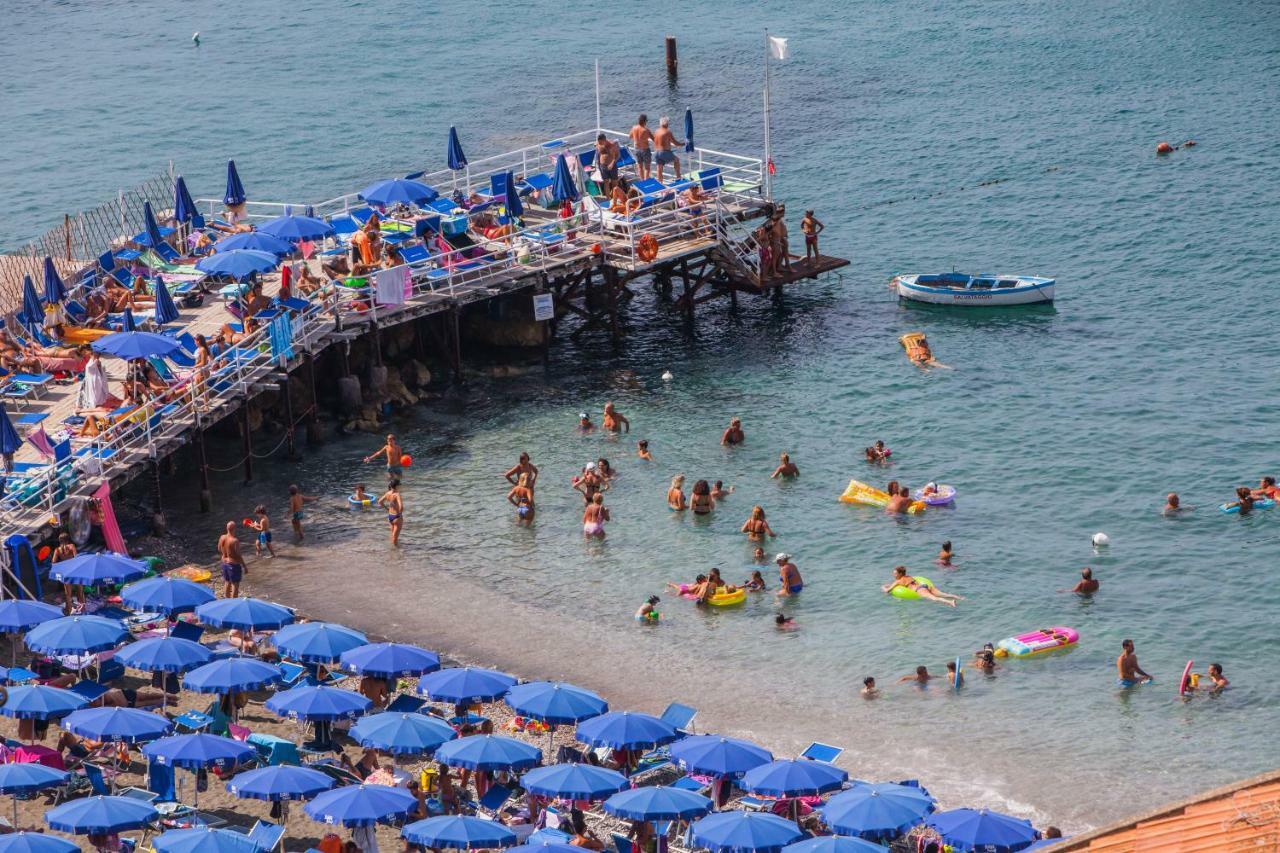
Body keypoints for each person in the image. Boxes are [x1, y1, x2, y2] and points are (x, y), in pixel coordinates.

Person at [883, 566, 961, 606]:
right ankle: (960, 598)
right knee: (944, 594)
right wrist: (890, 584)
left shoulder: (898, 581)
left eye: (895, 573)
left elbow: (887, 591)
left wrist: (883, 587)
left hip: (920, 590)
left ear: (900, 574)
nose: (893, 575)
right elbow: (907, 583)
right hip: (924, 585)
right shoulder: (909, 577)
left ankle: (951, 602)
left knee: (934, 599)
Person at [52, 533, 82, 615]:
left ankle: (69, 611)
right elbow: (76, 558)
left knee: (68, 594)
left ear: (59, 541)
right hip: (74, 571)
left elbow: (53, 562)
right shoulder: (71, 546)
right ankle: (82, 609)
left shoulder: (57, 550)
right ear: (68, 539)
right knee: (79, 590)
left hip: (65, 573)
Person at [218, 521, 247, 598]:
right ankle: (234, 602)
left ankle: (227, 600)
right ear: (234, 529)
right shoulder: (235, 540)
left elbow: (219, 549)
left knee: (227, 582)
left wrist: (225, 554)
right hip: (233, 565)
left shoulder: (222, 537)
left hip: (224, 563)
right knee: (235, 584)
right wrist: (244, 566)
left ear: (227, 528)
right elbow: (238, 555)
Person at [653, 117, 684, 183]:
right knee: (676, 160)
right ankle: (678, 177)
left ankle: (660, 183)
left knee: (659, 169)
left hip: (656, 152)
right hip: (664, 152)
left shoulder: (656, 131)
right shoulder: (667, 132)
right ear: (667, 124)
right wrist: (683, 144)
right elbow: (675, 143)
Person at [379, 480, 404, 547]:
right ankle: (395, 551)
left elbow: (380, 501)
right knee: (395, 537)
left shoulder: (388, 493)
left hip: (390, 516)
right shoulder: (397, 494)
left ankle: (392, 549)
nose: (400, 487)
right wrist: (399, 514)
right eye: (399, 485)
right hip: (396, 517)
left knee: (392, 534)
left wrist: (387, 509)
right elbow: (401, 507)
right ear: (397, 486)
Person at [629, 115, 654, 180]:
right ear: (645, 121)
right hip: (645, 149)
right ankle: (646, 181)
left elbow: (630, 136)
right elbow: (654, 139)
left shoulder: (634, 128)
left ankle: (642, 180)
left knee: (640, 167)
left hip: (637, 149)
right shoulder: (646, 130)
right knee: (647, 168)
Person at [595, 133, 620, 198]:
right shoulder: (598, 144)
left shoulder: (612, 145)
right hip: (603, 166)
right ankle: (608, 198)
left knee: (614, 183)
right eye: (599, 142)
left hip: (612, 166)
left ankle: (615, 198)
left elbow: (618, 155)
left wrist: (612, 163)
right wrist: (598, 165)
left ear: (604, 140)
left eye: (601, 142)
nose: (599, 144)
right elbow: (598, 154)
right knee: (606, 182)